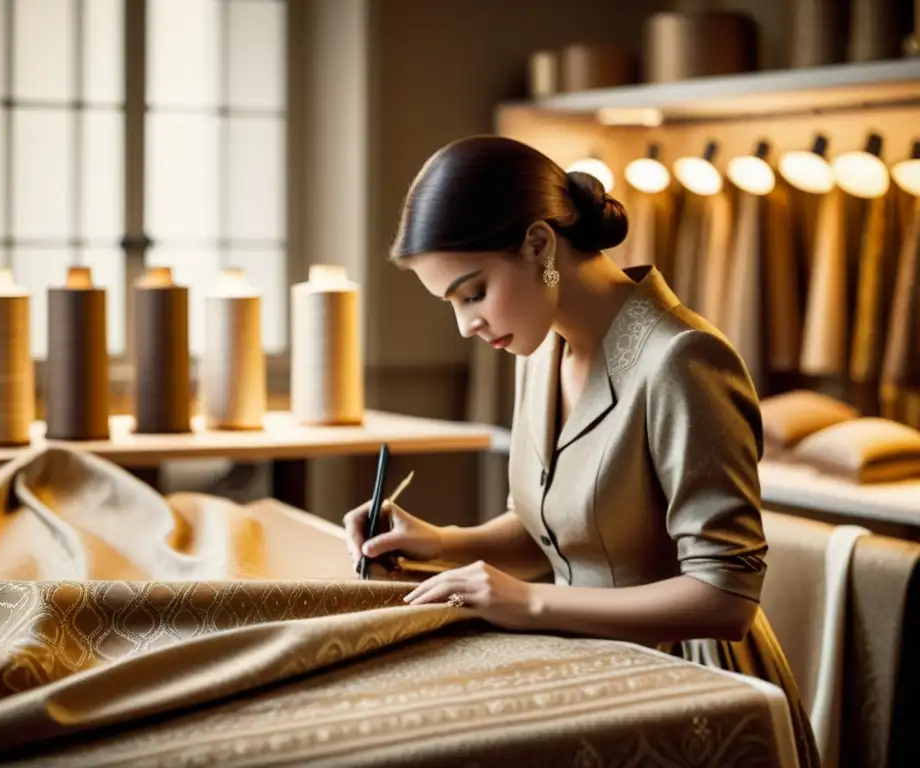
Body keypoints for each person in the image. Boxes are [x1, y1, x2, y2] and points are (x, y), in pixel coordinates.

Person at [343, 135, 820, 766]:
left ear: (540, 245)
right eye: (452, 305)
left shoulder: (682, 360)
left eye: (474, 292)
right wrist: (442, 541)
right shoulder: (539, 351)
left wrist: (527, 600)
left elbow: (725, 597)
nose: (467, 326)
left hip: (695, 692)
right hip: (588, 666)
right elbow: (565, 525)